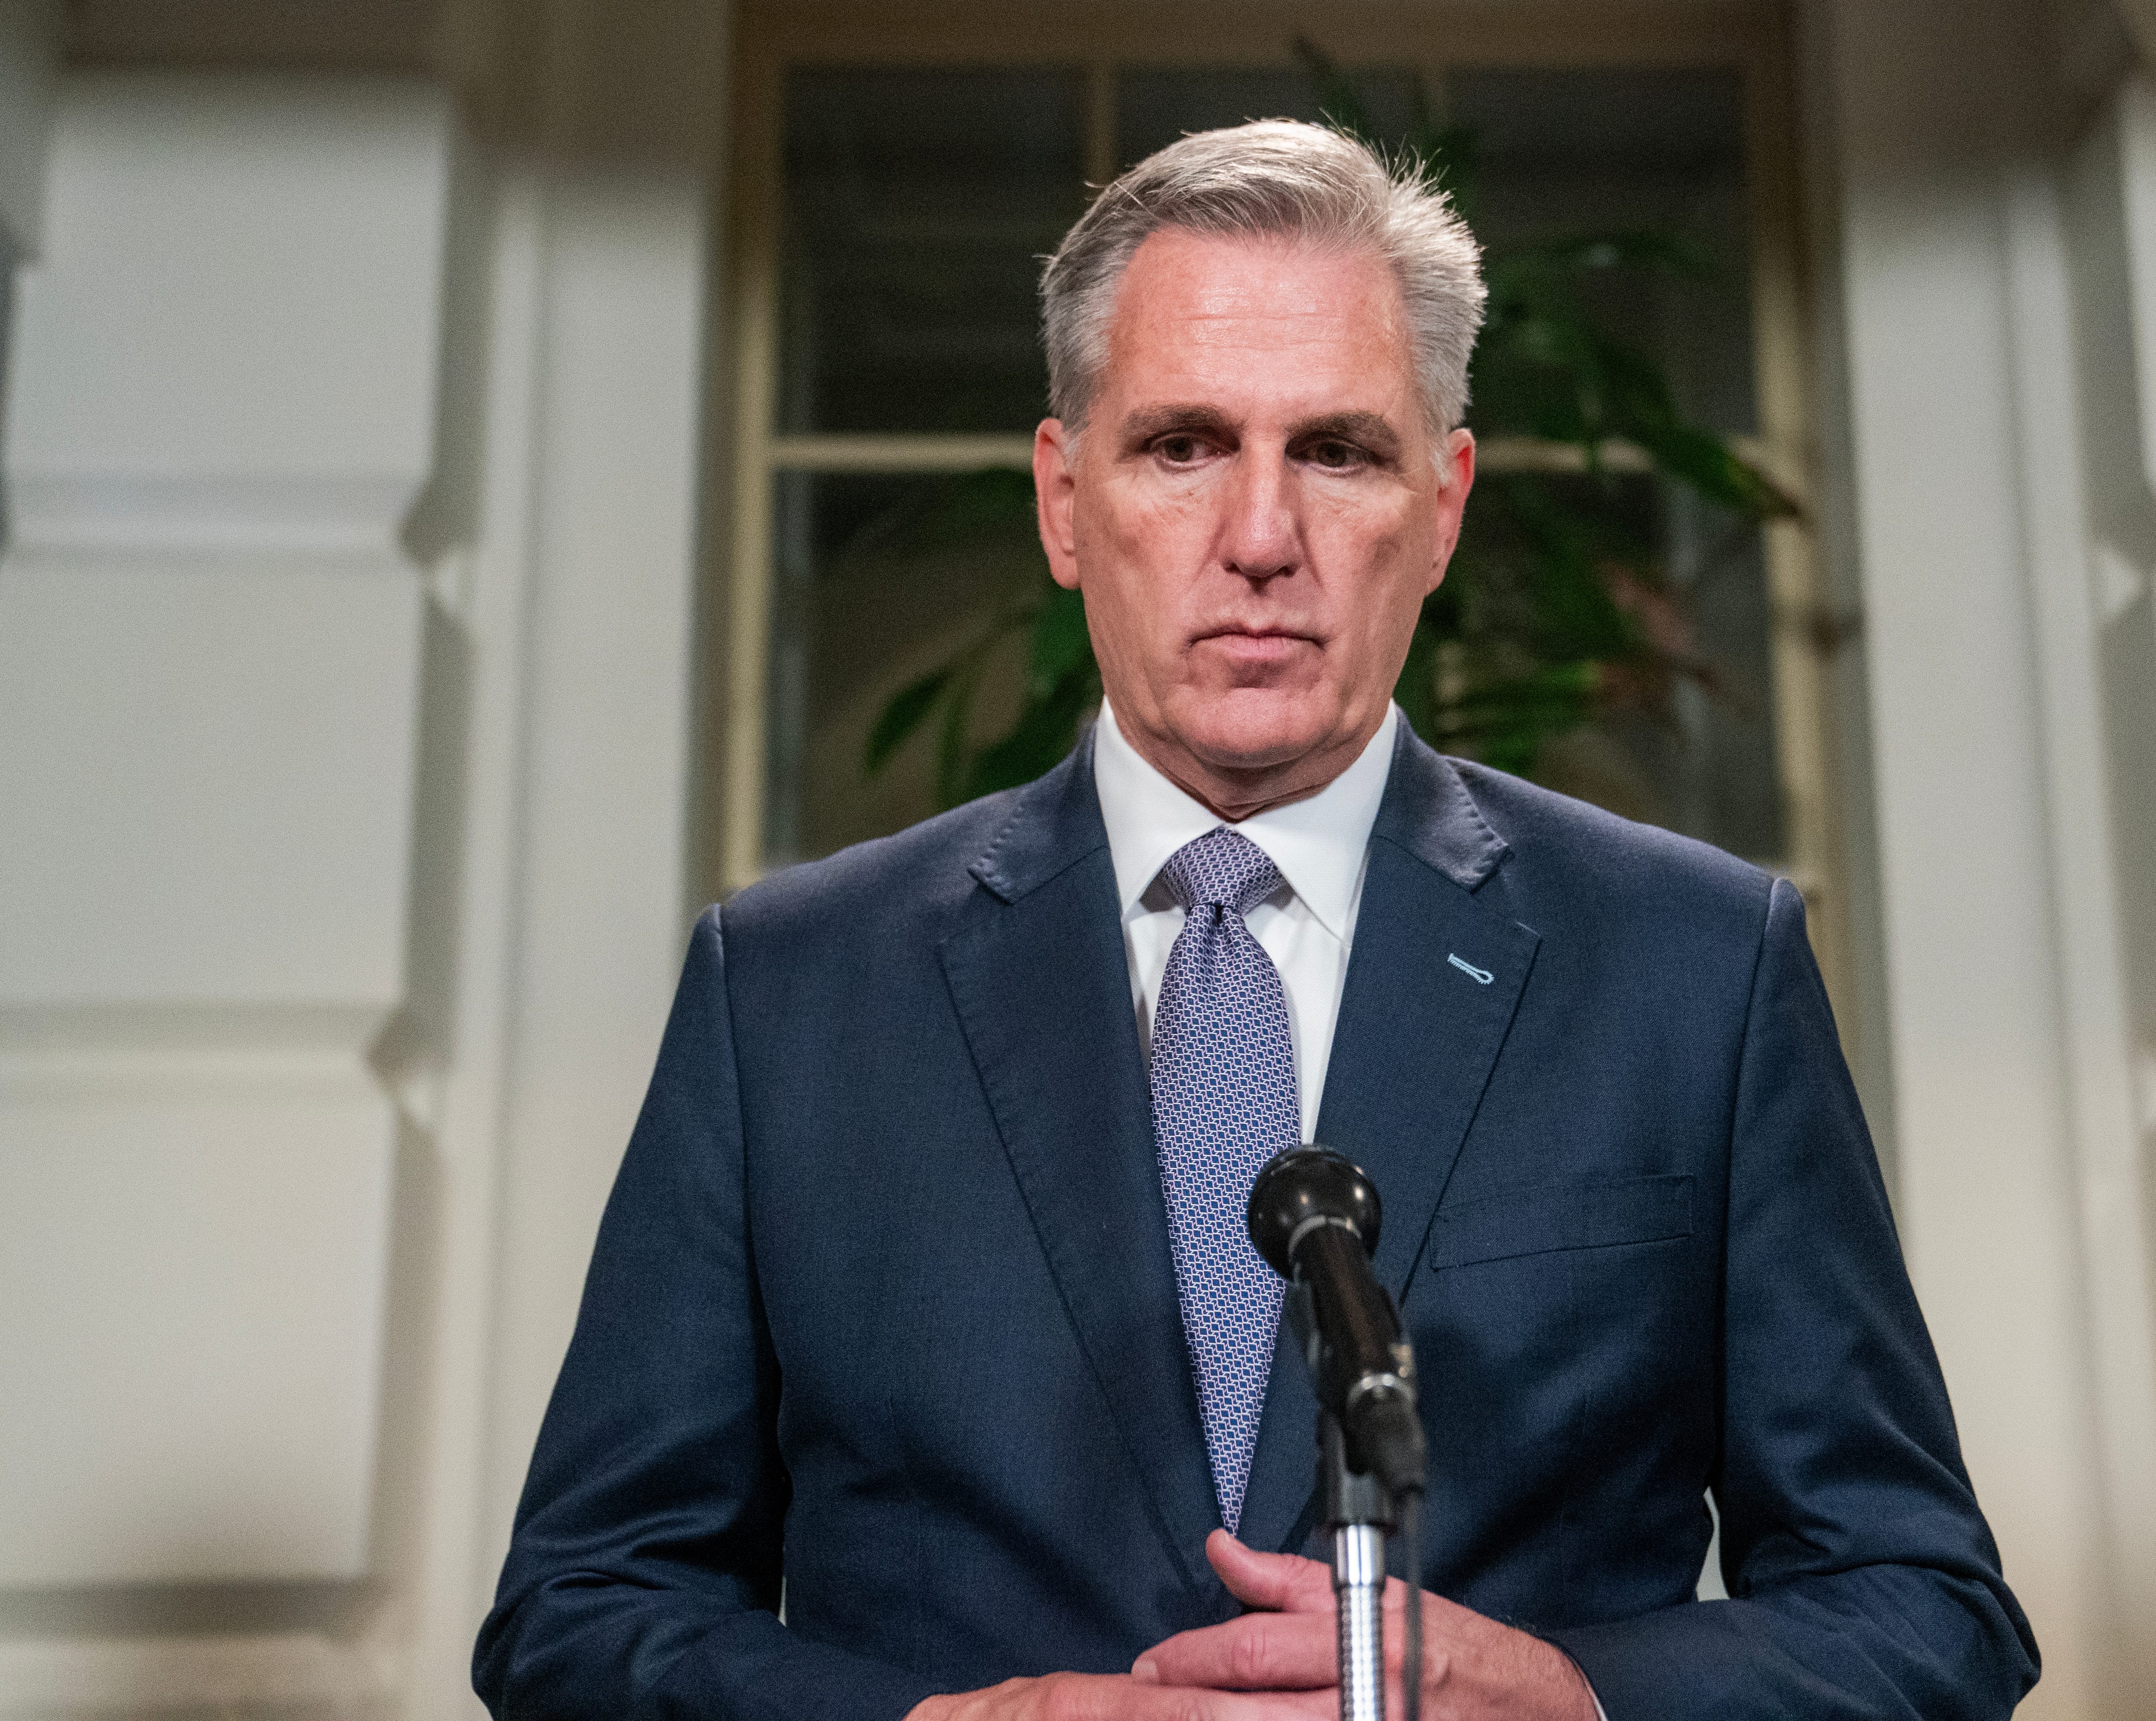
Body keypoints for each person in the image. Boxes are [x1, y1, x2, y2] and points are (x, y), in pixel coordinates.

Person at [473, 120, 2038, 1721]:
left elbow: (1922, 1606)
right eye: (1180, 446)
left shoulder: (1697, 971)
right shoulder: (790, 991)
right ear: (1063, 500)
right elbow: (582, 1610)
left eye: (1340, 452)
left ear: (1440, 505)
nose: (1262, 536)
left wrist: (1576, 1698)